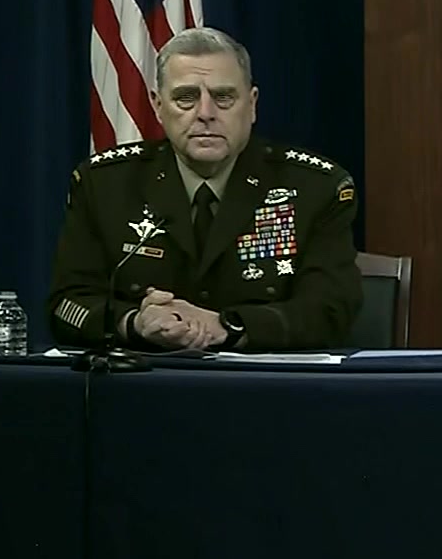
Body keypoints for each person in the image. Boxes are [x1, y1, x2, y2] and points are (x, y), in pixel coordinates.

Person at [48, 27, 361, 352]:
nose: (205, 114)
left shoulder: (315, 188)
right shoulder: (104, 185)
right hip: (143, 387)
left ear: (252, 105)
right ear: (157, 106)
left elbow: (330, 311)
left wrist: (228, 326)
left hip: (266, 391)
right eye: (186, 98)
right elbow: (67, 305)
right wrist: (133, 323)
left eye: (224, 97)